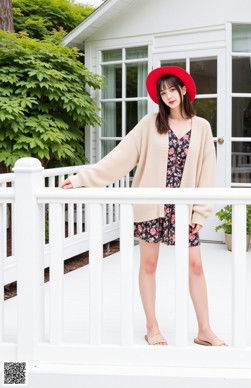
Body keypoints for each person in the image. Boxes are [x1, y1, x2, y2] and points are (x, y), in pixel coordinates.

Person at [60, 66, 226, 347]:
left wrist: (201, 210)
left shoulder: (202, 127)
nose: (169, 96)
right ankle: (152, 326)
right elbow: (120, 157)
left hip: (184, 209)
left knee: (195, 265)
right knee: (149, 263)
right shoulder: (151, 123)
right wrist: (81, 179)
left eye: (173, 89)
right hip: (152, 206)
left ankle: (205, 330)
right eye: (163, 92)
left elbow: (207, 172)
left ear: (184, 90)